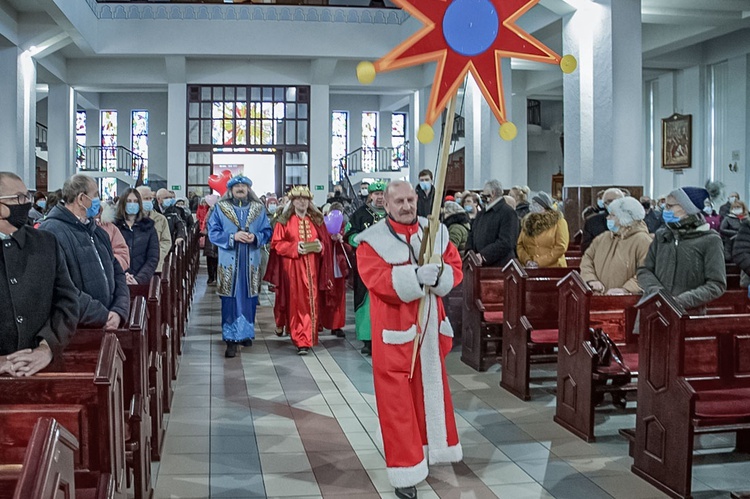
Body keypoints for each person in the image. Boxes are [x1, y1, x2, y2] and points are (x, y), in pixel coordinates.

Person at [356, 180, 463, 499]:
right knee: (397, 404)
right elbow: (375, 280)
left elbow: (454, 267)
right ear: (386, 205)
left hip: (430, 331)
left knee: (429, 394)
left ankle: (429, 450)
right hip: (394, 333)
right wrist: (414, 277)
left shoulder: (436, 233)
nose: (406, 205)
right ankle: (405, 471)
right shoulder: (371, 241)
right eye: (399, 201)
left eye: (410, 199)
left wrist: (441, 276)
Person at [0, 172, 79, 377]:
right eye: (19, 198)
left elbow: (67, 302)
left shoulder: (45, 243)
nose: (26, 203)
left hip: (44, 371)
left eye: (27, 196)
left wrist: (47, 347)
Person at [40, 174, 129, 329]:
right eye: (95, 195)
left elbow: (118, 273)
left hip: (108, 321)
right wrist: (103, 315)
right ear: (81, 199)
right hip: (77, 329)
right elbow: (61, 288)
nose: (99, 201)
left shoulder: (98, 232)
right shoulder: (51, 232)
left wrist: (119, 310)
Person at [208, 176, 272, 358]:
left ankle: (246, 333)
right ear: (231, 189)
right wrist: (232, 238)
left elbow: (267, 231)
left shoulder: (258, 209)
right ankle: (230, 337)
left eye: (244, 185)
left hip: (251, 262)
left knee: (250, 297)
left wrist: (256, 237)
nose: (240, 188)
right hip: (229, 262)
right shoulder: (221, 208)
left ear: (249, 188)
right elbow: (213, 232)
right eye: (237, 186)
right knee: (229, 298)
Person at [637, 186, 726, 314]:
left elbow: (716, 284)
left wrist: (679, 301)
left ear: (686, 209)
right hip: (653, 310)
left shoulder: (709, 239)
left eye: (670, 206)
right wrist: (659, 293)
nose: (664, 209)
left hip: (687, 313)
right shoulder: (662, 235)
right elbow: (644, 270)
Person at [269, 186, 333, 355]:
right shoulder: (284, 221)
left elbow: (325, 242)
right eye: (298, 199)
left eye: (305, 199)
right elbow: (276, 244)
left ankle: (308, 335)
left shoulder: (316, 221)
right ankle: (301, 339)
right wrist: (295, 247)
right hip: (292, 268)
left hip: (313, 268)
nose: (302, 202)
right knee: (297, 302)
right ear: (293, 201)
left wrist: (320, 247)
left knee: (312, 300)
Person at [345, 181, 387, 355]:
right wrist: (362, 241)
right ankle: (367, 339)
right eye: (376, 194)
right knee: (365, 301)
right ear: (370, 196)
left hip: (388, 266)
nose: (379, 197)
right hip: (366, 265)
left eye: (382, 194)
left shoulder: (393, 214)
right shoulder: (360, 214)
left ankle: (385, 336)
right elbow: (349, 233)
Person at [580, 197, 653, 295]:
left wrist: (626, 289)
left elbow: (647, 272)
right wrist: (591, 279)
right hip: (598, 297)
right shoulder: (604, 237)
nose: (607, 218)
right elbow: (587, 258)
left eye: (612, 215)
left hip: (626, 301)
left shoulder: (643, 241)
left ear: (625, 219)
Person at [467, 179, 519, 267]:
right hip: (478, 265)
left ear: (493, 193)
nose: (482, 196)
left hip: (499, 266)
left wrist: (483, 255)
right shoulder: (482, 213)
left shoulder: (507, 212)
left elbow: (506, 242)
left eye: (484, 193)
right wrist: (470, 254)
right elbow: (472, 234)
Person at [114, 188, 160, 285]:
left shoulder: (148, 227)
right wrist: (122, 277)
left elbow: (153, 258)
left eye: (135, 201)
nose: (132, 204)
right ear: (123, 203)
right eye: (129, 201)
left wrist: (138, 279)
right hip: (118, 281)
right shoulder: (114, 227)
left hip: (142, 281)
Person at [516, 191, 569, 268]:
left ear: (543, 207)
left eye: (535, 204)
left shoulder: (559, 222)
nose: (531, 207)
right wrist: (527, 260)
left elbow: (561, 247)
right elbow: (520, 245)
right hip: (530, 268)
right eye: (532, 203)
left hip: (554, 268)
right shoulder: (527, 222)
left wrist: (539, 262)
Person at [321, 201, 350, 338]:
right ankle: (321, 322)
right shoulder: (322, 226)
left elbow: (348, 246)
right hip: (325, 265)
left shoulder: (344, 226)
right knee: (324, 295)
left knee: (339, 296)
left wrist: (341, 239)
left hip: (339, 264)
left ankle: (337, 325)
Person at [136, 186, 172, 273]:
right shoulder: (131, 219)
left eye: (150, 198)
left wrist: (155, 254)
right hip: (135, 267)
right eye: (145, 198)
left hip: (156, 266)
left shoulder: (160, 219)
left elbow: (166, 241)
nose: (148, 201)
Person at [581, 187, 624, 253]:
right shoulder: (592, 222)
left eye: (616, 201)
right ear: (604, 204)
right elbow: (586, 248)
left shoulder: (633, 220)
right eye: (610, 201)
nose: (613, 204)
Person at [97, 202, 130, 273]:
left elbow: (122, 254)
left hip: (111, 276)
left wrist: (108, 266)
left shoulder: (110, 228)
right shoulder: (75, 228)